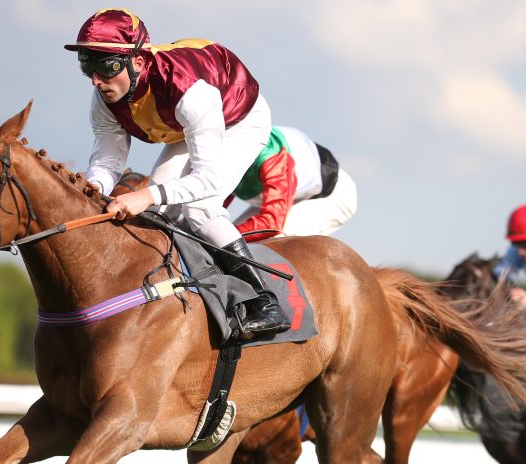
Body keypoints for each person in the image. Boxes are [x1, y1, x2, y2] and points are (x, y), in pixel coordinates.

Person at [64, 8, 290, 335]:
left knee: (200, 209)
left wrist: (145, 194)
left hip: (237, 120)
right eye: (88, 67)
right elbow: (107, 162)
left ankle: (265, 300)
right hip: (185, 128)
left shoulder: (188, 91)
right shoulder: (105, 97)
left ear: (137, 62)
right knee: (156, 214)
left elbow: (208, 179)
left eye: (107, 67)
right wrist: (93, 190)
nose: (97, 80)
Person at [223, 126, 357, 242]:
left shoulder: (270, 155)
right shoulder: (220, 159)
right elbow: (213, 211)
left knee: (259, 242)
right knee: (220, 247)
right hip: (284, 196)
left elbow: (272, 225)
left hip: (332, 197)